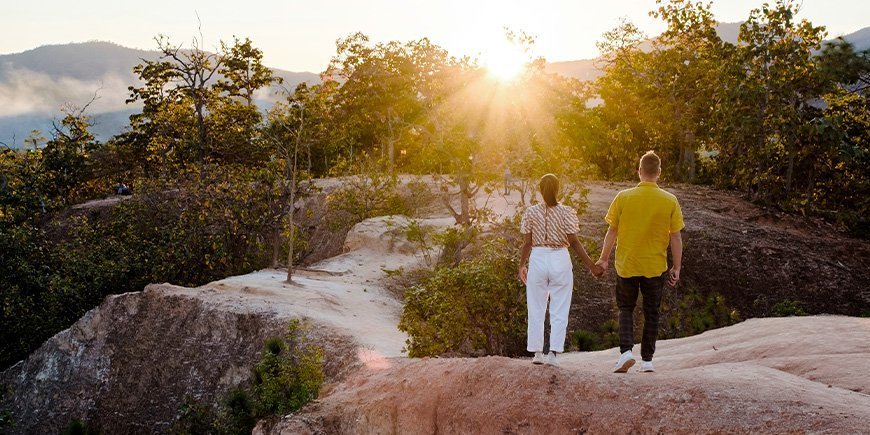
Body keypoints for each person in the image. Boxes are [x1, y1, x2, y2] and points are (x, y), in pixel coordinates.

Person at [596, 151, 684, 373]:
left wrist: (604, 259)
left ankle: (626, 352)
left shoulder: (623, 197)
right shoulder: (669, 200)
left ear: (639, 172)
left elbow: (612, 230)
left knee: (626, 307)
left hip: (627, 264)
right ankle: (647, 361)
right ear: (659, 173)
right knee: (652, 311)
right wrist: (677, 267)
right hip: (654, 266)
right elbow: (676, 236)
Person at [519, 174, 603, 367]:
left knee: (536, 307)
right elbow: (573, 241)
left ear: (540, 190)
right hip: (560, 258)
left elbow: (527, 243)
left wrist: (522, 265)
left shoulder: (531, 212)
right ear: (558, 189)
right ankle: (553, 354)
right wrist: (592, 266)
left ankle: (537, 353)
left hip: (538, 258)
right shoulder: (566, 212)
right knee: (559, 308)